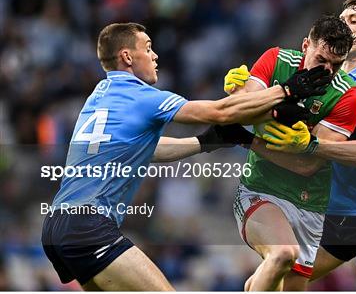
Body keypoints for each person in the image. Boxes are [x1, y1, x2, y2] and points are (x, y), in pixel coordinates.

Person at [40, 22, 331, 291]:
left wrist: (205, 142)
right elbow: (220, 111)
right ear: (127, 57)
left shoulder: (99, 95)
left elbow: (147, 150)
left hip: (57, 225)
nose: (155, 56)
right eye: (148, 48)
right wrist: (286, 90)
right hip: (88, 226)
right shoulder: (141, 96)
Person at [254, 0, 356, 291]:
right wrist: (248, 89)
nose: (343, 26)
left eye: (353, 21)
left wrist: (311, 145)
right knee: (266, 283)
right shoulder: (321, 74)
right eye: (341, 20)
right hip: (329, 215)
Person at [225, 15, 356, 291]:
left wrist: (250, 139)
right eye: (321, 60)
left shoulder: (349, 96)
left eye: (336, 65)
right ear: (305, 46)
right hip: (260, 189)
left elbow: (306, 166)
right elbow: (240, 110)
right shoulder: (276, 60)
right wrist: (244, 93)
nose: (327, 71)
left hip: (309, 204)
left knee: (279, 283)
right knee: (282, 253)